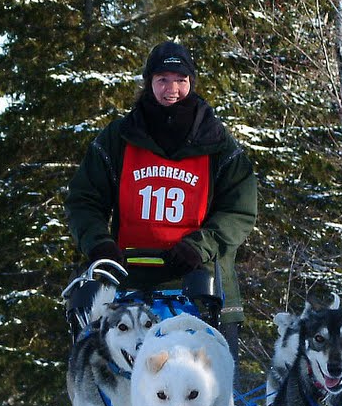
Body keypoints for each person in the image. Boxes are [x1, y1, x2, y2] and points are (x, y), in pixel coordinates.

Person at [65, 40, 257, 359]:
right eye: (162, 80)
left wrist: (200, 246)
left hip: (202, 286)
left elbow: (239, 209)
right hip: (128, 289)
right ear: (149, 83)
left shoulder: (218, 143)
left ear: (191, 83)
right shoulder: (119, 139)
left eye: (180, 80)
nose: (172, 89)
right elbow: (84, 199)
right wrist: (99, 244)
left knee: (212, 399)